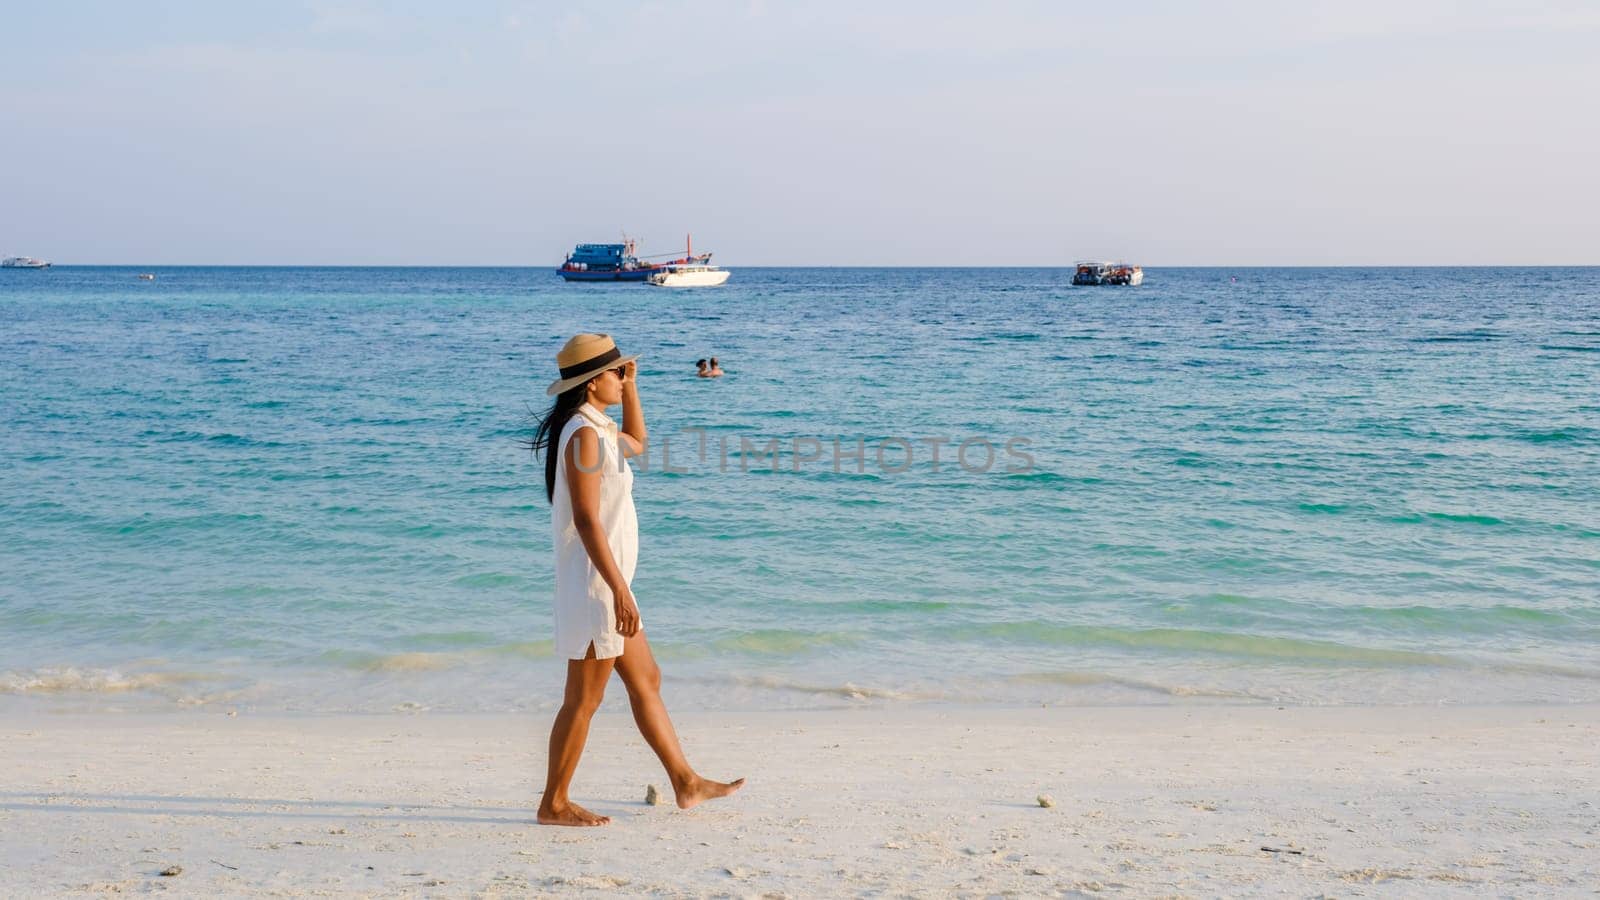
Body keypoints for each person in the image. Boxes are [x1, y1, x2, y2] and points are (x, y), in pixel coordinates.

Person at [529, 333, 744, 827]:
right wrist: (619, 590)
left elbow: (640, 444)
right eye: (615, 373)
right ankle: (553, 804)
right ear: (590, 383)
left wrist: (632, 389)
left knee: (646, 679)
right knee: (583, 699)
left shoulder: (597, 428)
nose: (621, 378)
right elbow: (586, 519)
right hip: (597, 586)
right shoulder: (583, 434)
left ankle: (685, 783)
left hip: (610, 583)